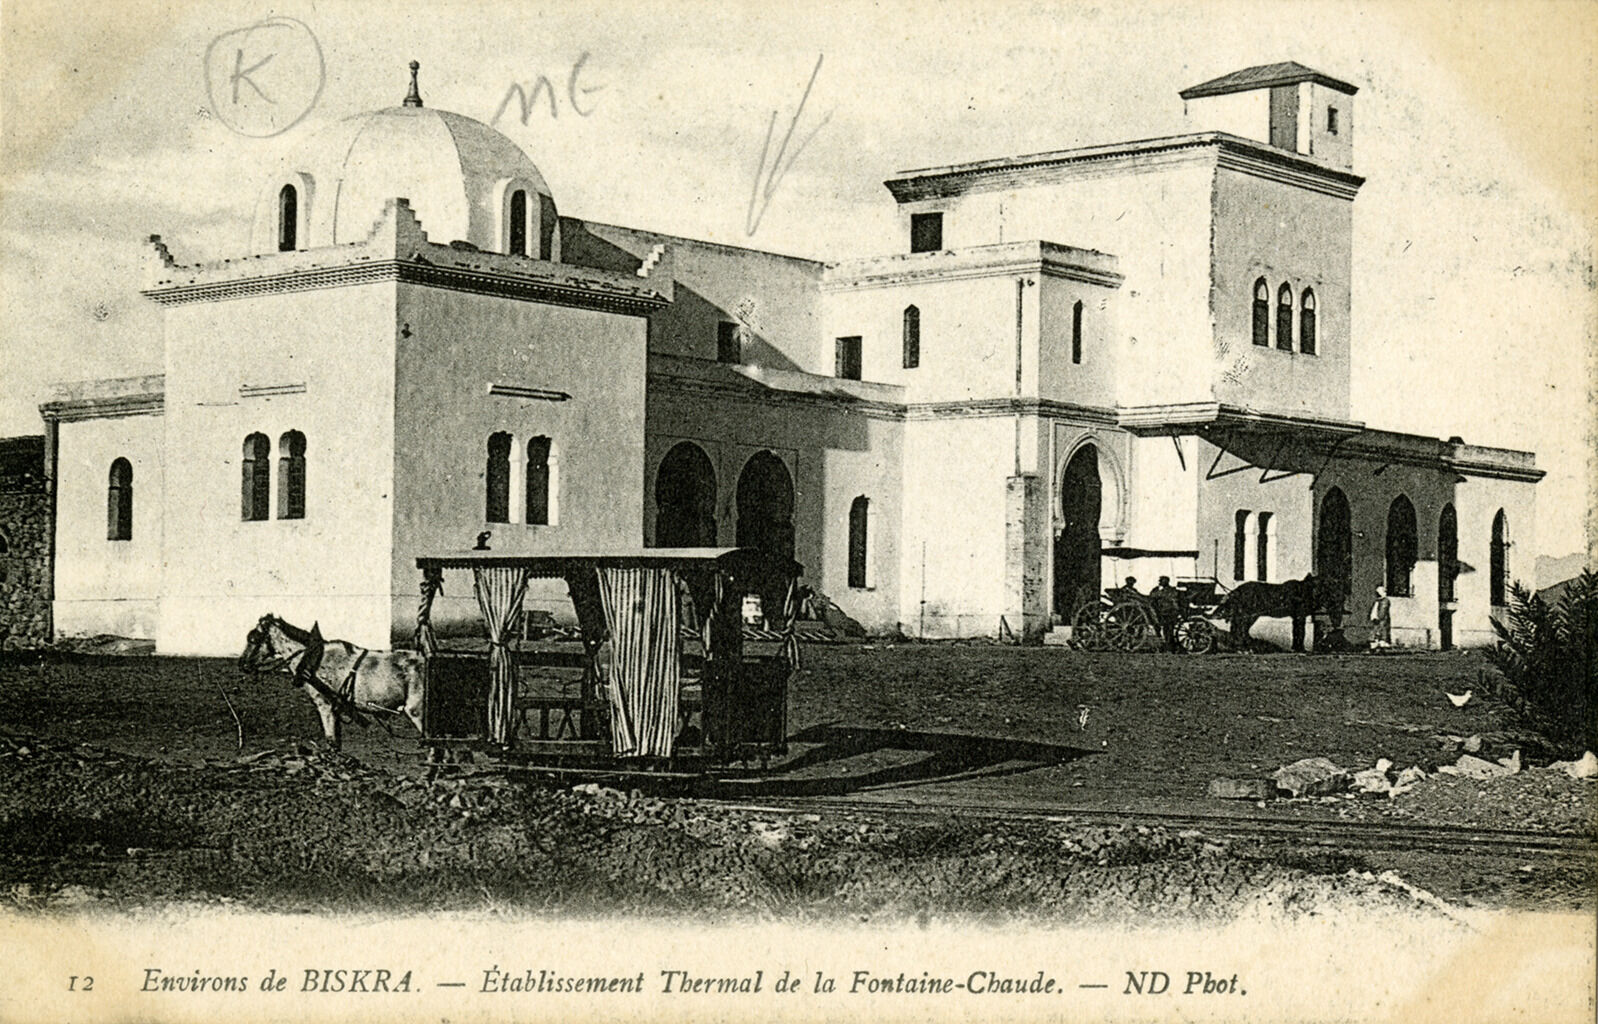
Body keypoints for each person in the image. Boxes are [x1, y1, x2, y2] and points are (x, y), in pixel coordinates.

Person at [1149, 576, 1181, 652]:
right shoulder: (1160, 590)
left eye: (1161, 581)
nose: (1159, 582)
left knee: (1168, 630)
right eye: (1160, 581)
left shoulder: (1169, 591)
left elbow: (1157, 596)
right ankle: (1168, 646)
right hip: (1164, 612)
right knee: (1167, 630)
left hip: (1168, 612)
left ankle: (1169, 647)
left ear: (1166, 581)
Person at [1368, 585, 1392, 651]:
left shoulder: (1385, 601)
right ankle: (1376, 647)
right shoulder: (1378, 600)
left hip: (1381, 620)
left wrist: (1379, 617)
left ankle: (1380, 647)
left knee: (1380, 633)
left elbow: (1383, 611)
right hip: (1377, 620)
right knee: (1376, 633)